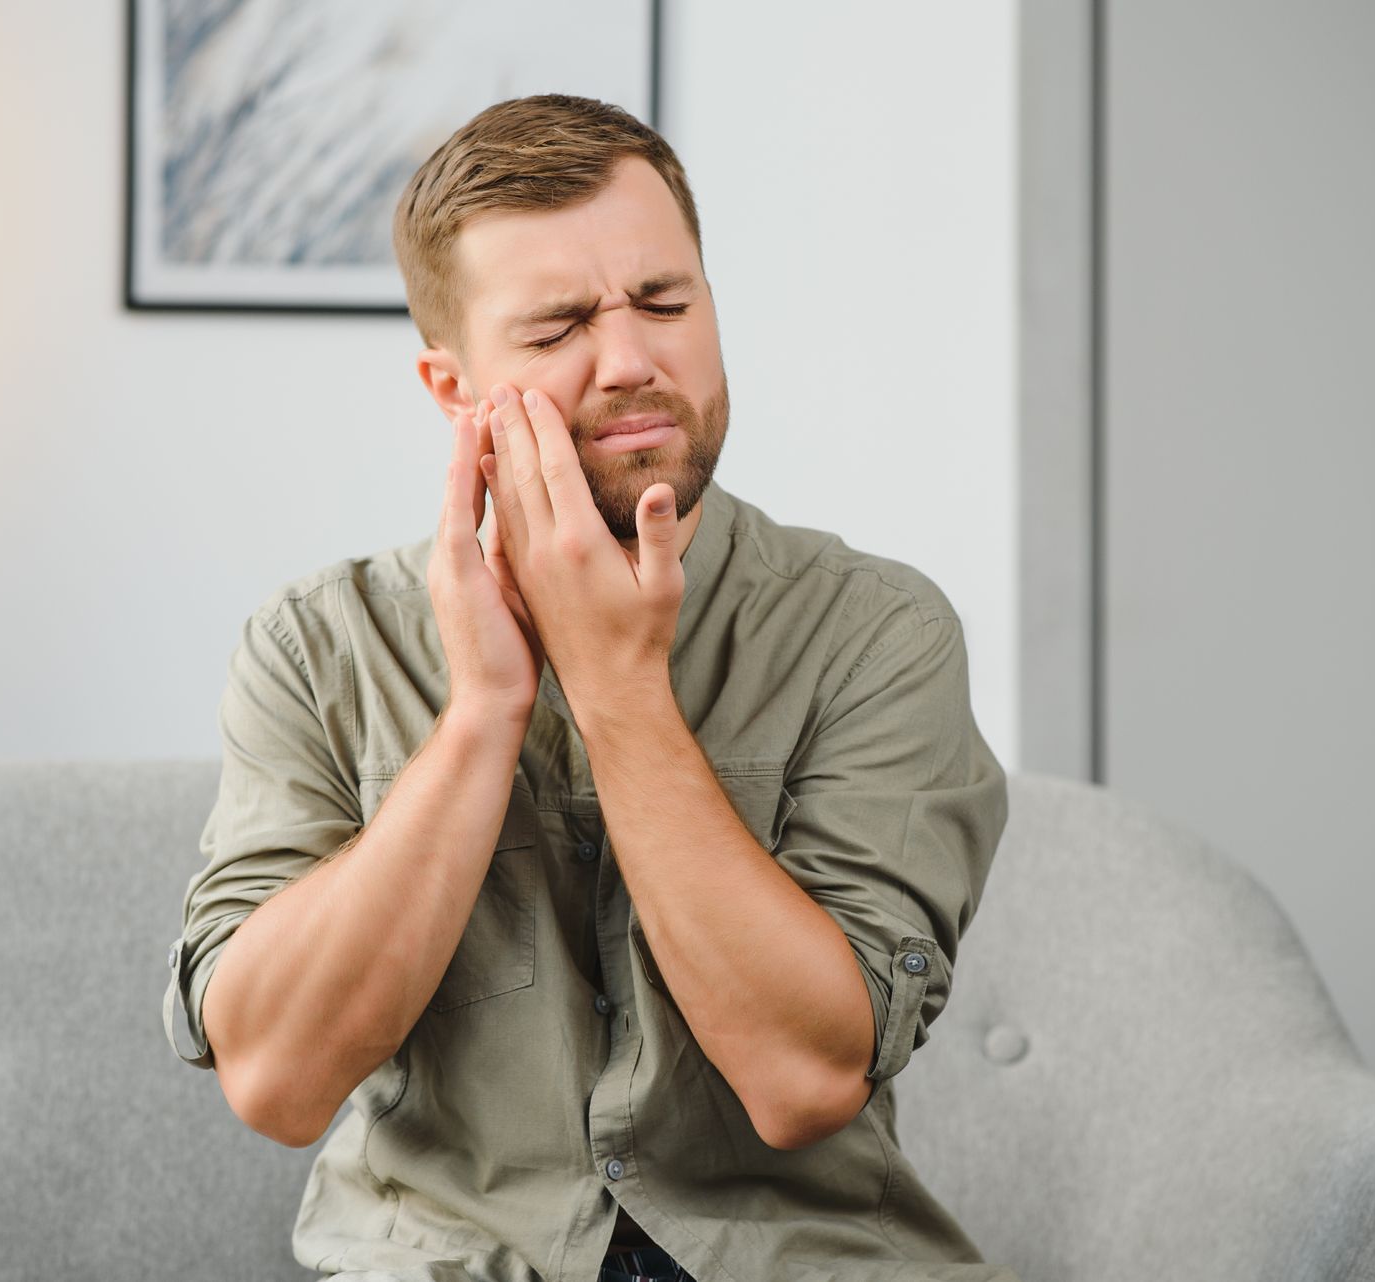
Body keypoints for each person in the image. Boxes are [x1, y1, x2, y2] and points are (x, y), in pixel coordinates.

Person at [164, 93, 1018, 1282]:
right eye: (560, 325)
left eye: (667, 303)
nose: (631, 362)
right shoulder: (318, 647)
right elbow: (278, 1077)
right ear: (453, 389)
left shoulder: (877, 633)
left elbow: (804, 1078)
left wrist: (620, 692)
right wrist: (479, 720)